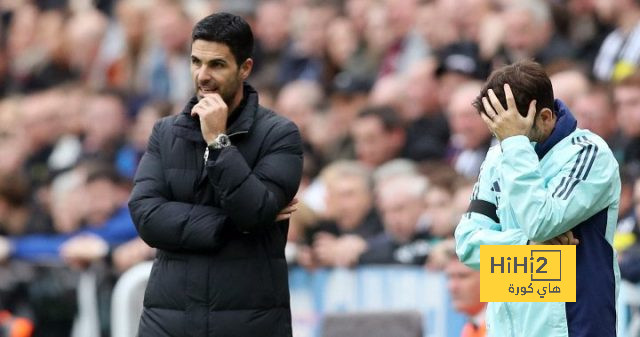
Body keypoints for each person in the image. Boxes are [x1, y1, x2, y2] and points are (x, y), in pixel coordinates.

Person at [128, 12, 303, 337]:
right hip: (168, 324)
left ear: (245, 68)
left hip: (248, 324)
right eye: (196, 62)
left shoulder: (279, 134)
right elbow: (146, 216)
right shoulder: (165, 133)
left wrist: (219, 142)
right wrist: (226, 223)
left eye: (217, 65)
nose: (202, 75)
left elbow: (253, 213)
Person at [455, 60, 620, 337]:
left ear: (545, 117)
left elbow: (541, 221)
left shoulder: (589, 154)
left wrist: (515, 145)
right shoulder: (498, 155)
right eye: (497, 131)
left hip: (576, 327)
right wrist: (528, 244)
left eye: (511, 130)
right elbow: (467, 244)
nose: (501, 140)